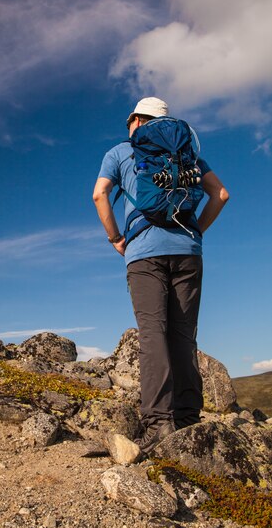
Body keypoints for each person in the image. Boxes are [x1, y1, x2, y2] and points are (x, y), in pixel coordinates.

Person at [93, 97, 229, 456]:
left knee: (153, 333)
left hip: (144, 255)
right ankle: (187, 418)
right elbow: (221, 194)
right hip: (188, 253)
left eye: (129, 122)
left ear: (137, 120)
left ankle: (158, 423)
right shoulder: (187, 152)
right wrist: (196, 230)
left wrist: (116, 238)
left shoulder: (121, 152)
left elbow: (99, 194)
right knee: (184, 335)